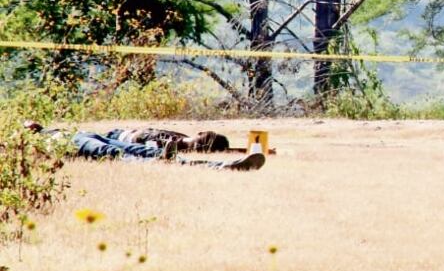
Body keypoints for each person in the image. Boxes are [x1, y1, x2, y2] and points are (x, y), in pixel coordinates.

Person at [23, 121, 264, 171]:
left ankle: (226, 164)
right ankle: (221, 167)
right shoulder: (28, 141)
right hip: (69, 142)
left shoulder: (44, 130)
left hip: (82, 134)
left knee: (144, 151)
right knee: (113, 153)